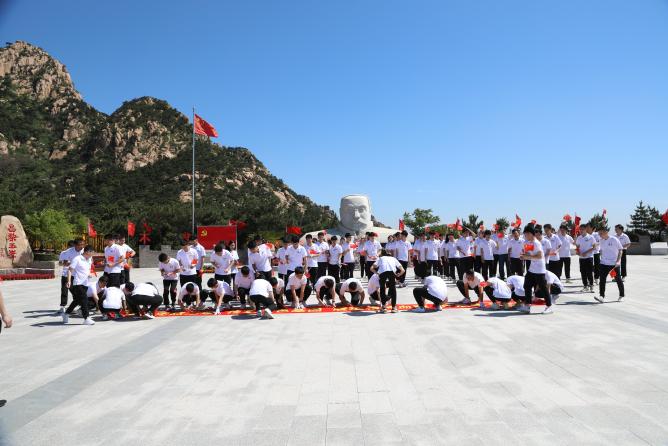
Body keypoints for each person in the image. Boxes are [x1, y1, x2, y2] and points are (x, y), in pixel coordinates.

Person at [519, 225, 552, 314]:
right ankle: (528, 305)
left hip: (539, 269)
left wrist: (526, 257)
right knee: (527, 285)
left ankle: (549, 306)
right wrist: (523, 256)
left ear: (530, 234)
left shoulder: (536, 243)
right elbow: (529, 254)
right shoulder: (529, 242)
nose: (525, 236)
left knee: (543, 288)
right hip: (532, 269)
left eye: (526, 234)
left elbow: (539, 256)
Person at [64, 245, 97, 325]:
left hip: (86, 283)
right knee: (84, 300)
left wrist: (89, 274)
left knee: (77, 300)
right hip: (78, 283)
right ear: (87, 252)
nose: (92, 255)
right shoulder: (77, 259)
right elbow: (70, 270)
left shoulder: (89, 259)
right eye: (92, 253)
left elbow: (87, 269)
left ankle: (66, 313)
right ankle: (86, 318)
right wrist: (69, 281)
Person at [595, 228, 625, 302]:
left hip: (613, 264)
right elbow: (600, 250)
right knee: (602, 280)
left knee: (618, 279)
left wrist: (618, 261)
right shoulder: (601, 240)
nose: (600, 235)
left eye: (601, 233)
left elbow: (620, 250)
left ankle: (621, 295)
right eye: (599, 234)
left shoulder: (614, 239)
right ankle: (601, 296)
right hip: (604, 263)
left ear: (606, 232)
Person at [57, 238, 84, 314]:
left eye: (82, 244)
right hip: (66, 274)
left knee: (75, 291)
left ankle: (76, 305)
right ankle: (63, 306)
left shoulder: (83, 251)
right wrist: (65, 263)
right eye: (80, 245)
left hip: (77, 274)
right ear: (75, 245)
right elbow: (60, 263)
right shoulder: (66, 252)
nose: (82, 246)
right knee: (64, 290)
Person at [576, 229, 596, 293]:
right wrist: (578, 252)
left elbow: (594, 247)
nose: (581, 231)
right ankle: (585, 286)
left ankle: (591, 286)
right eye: (580, 230)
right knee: (583, 272)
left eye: (582, 230)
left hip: (589, 257)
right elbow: (577, 247)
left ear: (585, 230)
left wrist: (586, 252)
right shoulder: (579, 238)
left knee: (589, 272)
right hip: (581, 258)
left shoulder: (591, 237)